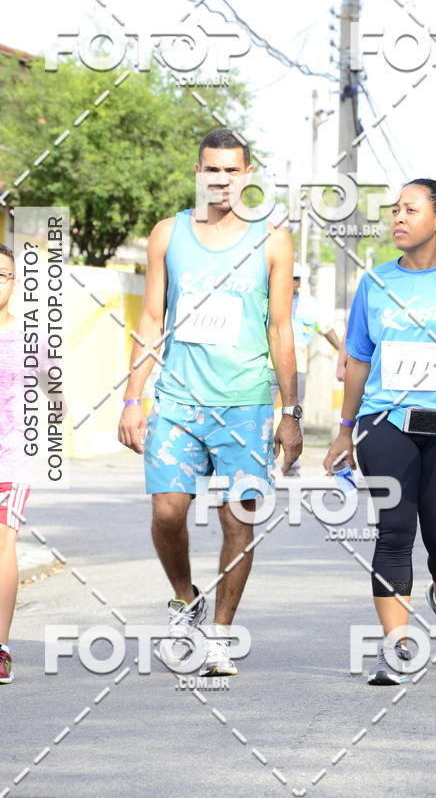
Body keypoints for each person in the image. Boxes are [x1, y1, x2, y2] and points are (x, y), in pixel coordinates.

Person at [118, 128, 302, 676]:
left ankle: (220, 634)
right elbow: (152, 318)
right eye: (211, 169)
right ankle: (184, 597)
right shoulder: (167, 235)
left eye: (231, 170)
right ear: (198, 172)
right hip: (177, 399)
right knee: (167, 510)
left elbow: (281, 330)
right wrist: (133, 397)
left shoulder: (271, 240)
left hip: (245, 404)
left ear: (247, 176)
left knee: (237, 520)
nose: (220, 179)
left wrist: (289, 413)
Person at [323, 179, 436, 685]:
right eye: (395, 209)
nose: (398, 217)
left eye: (411, 209)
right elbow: (358, 359)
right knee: (394, 530)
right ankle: (397, 646)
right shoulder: (375, 283)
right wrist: (343, 429)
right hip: (384, 422)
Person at [0, 244, 52, 684]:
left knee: (3, 546)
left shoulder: (27, 337)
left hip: (9, 462)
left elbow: (54, 394)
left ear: (14, 282)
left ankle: (0, 646)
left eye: (3, 274)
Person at [270, 261, 341, 475]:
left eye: (295, 278)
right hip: (266, 366)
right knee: (262, 415)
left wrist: (342, 353)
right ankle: (263, 464)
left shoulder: (310, 305)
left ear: (299, 281)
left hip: (296, 369)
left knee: (294, 414)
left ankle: (292, 465)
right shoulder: (267, 298)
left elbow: (326, 328)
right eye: (289, 277)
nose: (292, 282)